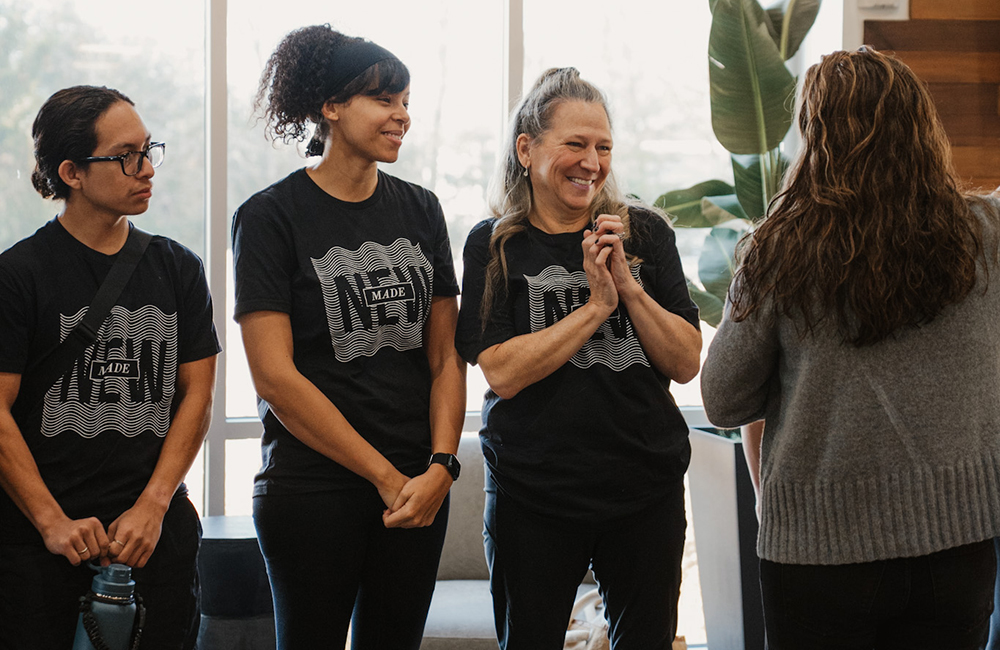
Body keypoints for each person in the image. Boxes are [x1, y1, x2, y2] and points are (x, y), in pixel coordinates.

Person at [701, 47, 1000, 650]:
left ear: (816, 137)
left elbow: (724, 398)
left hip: (817, 551)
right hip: (957, 543)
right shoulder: (987, 233)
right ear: (922, 128)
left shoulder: (777, 250)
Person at [232, 24, 466, 650]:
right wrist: (385, 477)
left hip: (418, 487)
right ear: (330, 107)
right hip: (314, 488)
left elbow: (445, 356)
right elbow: (275, 377)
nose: (401, 116)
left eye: (406, 101)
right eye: (384, 100)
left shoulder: (422, 209)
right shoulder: (269, 217)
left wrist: (441, 466)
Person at [455, 67, 702, 650]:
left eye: (603, 147)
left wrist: (630, 289)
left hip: (644, 489)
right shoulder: (494, 245)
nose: (591, 162)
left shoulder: (643, 233)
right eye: (575, 144)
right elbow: (503, 372)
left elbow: (687, 360)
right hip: (533, 495)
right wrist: (595, 307)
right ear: (526, 149)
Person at [0, 85, 220, 650]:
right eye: (126, 156)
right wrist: (52, 522)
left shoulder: (178, 268)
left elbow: (197, 394)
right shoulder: (18, 275)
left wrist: (154, 503)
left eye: (149, 150)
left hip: (156, 541)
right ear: (71, 172)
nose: (146, 168)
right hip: (39, 548)